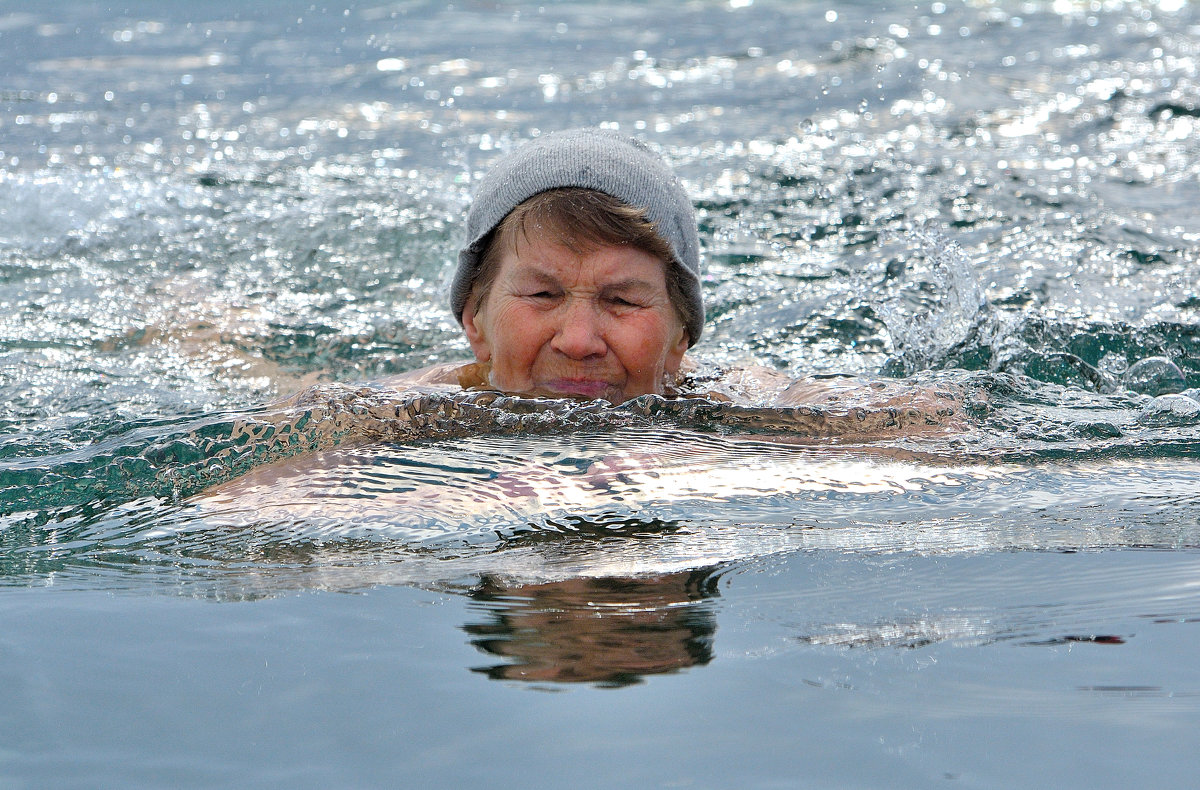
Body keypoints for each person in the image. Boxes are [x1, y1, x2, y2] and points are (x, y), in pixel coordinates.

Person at [390, 126, 960, 432]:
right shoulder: (409, 413)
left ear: (681, 336)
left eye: (622, 300)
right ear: (475, 321)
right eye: (543, 294)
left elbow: (939, 424)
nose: (580, 341)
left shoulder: (738, 406)